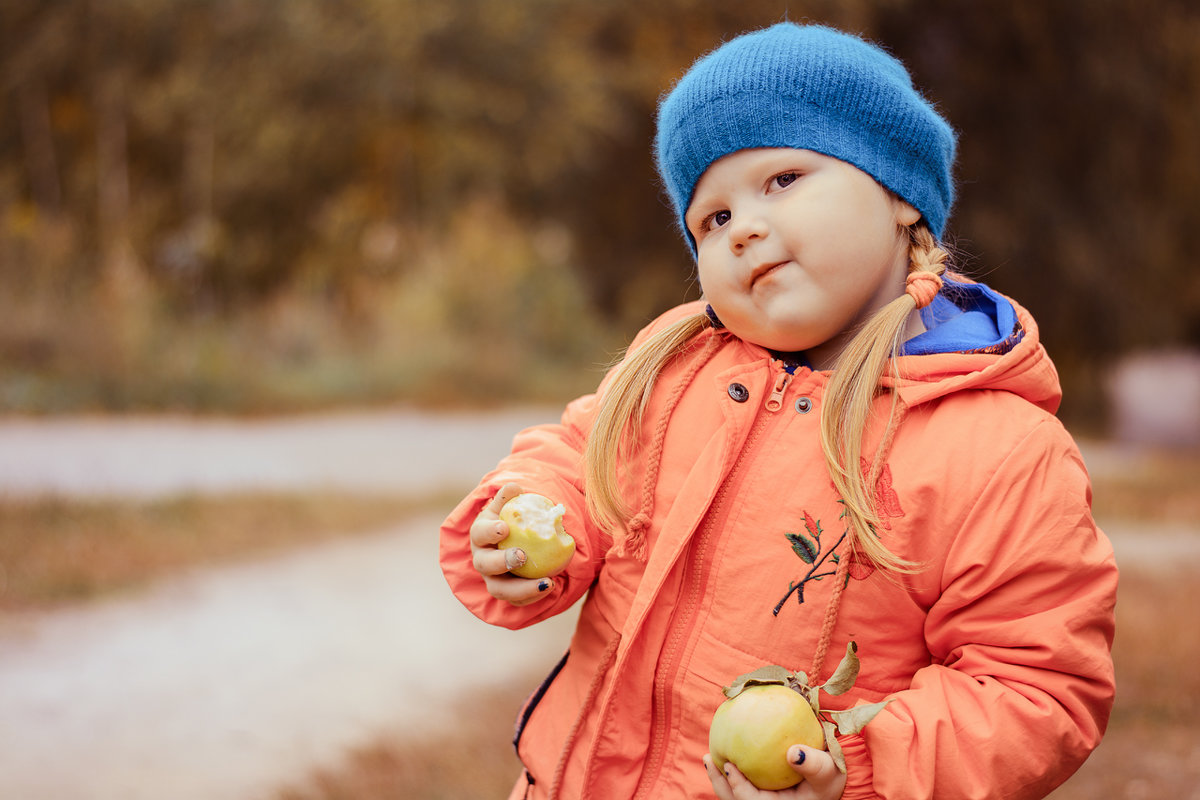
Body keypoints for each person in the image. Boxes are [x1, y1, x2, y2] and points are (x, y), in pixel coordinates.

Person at [439, 22, 1117, 800]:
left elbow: (1035, 691)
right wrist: (529, 517)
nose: (745, 228)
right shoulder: (677, 365)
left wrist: (850, 764)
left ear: (898, 194)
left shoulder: (999, 450)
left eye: (783, 179)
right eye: (712, 219)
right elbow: (580, 461)